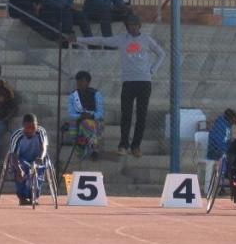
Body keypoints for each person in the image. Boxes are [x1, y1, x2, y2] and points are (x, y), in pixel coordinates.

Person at [69, 15, 165, 157]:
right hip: (128, 81)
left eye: (134, 25)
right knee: (126, 114)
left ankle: (136, 146)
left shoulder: (146, 39)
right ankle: (123, 145)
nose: (132, 27)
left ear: (139, 25)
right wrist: (78, 39)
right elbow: (102, 40)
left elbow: (161, 54)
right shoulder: (122, 39)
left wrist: (152, 70)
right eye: (129, 25)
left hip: (144, 81)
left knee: (141, 115)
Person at [7, 114, 50, 205]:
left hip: (37, 157)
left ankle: (34, 196)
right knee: (22, 170)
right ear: (23, 126)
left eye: (33, 128)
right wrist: (19, 170)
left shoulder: (41, 132)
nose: (30, 130)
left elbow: (44, 148)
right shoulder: (17, 135)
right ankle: (22, 197)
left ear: (37, 126)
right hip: (21, 159)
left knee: (39, 169)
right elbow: (13, 155)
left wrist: (41, 157)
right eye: (27, 128)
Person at [66, 71, 105, 161]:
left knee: (87, 123)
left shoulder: (96, 94)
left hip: (95, 122)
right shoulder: (73, 96)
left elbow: (100, 113)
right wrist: (80, 116)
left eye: (82, 81)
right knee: (80, 124)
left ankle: (94, 149)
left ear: (87, 82)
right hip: (78, 121)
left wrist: (91, 115)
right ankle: (82, 151)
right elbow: (71, 113)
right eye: (78, 81)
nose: (79, 83)